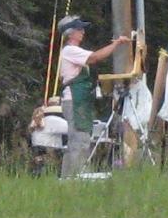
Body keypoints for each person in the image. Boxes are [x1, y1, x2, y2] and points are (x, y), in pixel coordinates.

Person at [56, 15, 132, 177]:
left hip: (78, 101)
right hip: (74, 102)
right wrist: (116, 43)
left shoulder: (72, 51)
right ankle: (74, 177)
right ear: (71, 33)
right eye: (79, 29)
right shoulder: (70, 50)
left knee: (78, 141)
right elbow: (95, 57)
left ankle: (68, 178)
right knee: (80, 141)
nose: (83, 32)